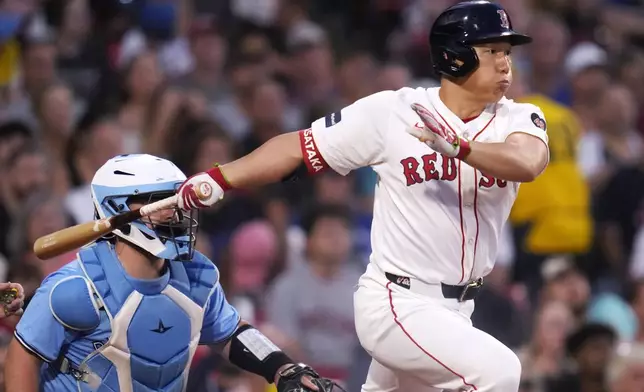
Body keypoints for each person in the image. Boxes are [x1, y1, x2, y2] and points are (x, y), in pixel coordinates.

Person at [177, 1, 549, 391]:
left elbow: (528, 162)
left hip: (456, 310)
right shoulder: (395, 112)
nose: (505, 63)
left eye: (506, 52)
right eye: (491, 51)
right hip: (396, 302)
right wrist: (219, 177)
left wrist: (460, 149)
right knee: (499, 371)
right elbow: (297, 148)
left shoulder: (517, 118)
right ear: (453, 56)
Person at [3, 154, 339, 392]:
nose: (176, 213)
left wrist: (282, 369)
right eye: (160, 204)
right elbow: (22, 356)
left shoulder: (197, 278)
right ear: (117, 208)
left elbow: (230, 333)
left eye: (178, 203)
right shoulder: (75, 288)